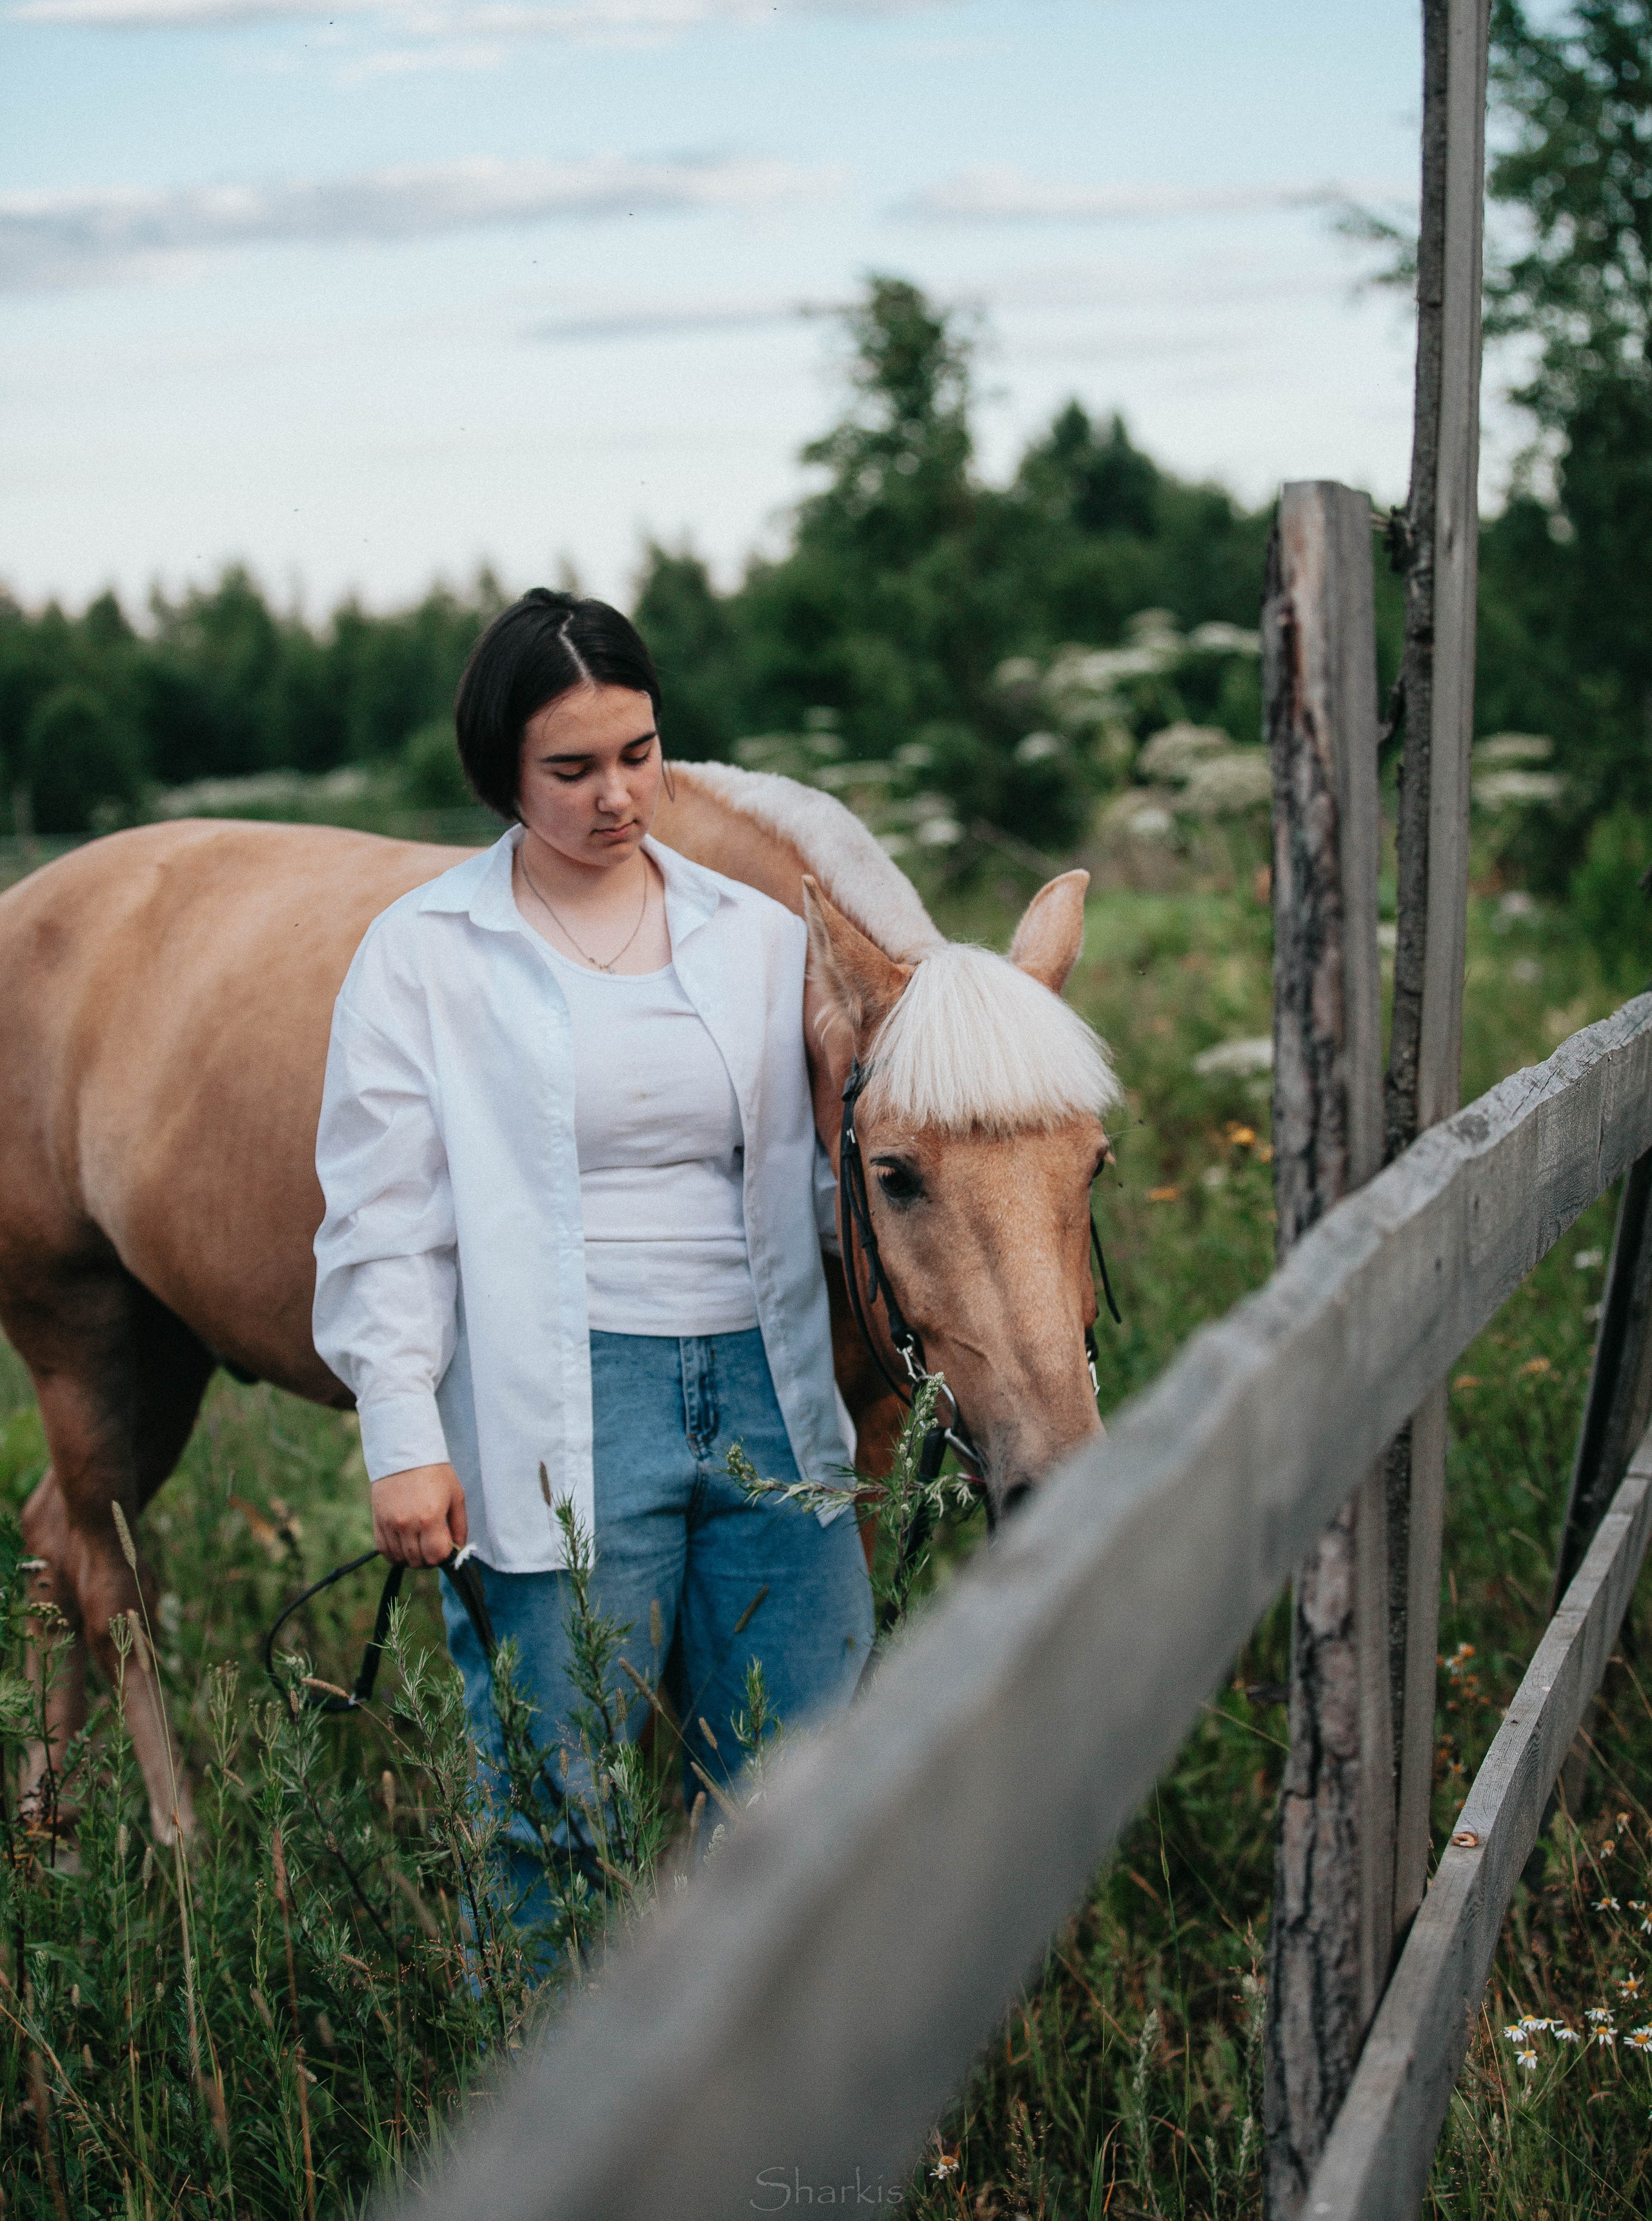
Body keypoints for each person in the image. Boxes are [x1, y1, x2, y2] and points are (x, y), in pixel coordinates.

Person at [312, 589, 872, 1917]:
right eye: (570, 768)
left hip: (771, 1398)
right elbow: (382, 1214)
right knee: (552, 1816)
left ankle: (777, 2113)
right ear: (501, 768)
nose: (616, 795)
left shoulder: (761, 938)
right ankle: (549, 2108)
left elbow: (817, 1179)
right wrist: (401, 1429)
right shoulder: (424, 955)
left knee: (801, 1797)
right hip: (559, 1405)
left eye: (638, 753)